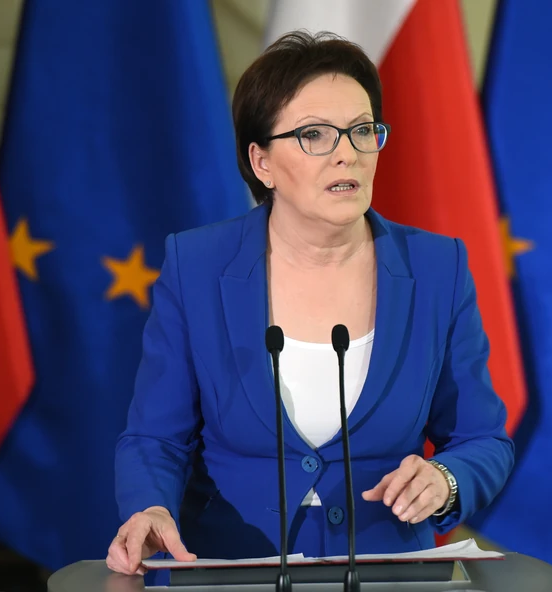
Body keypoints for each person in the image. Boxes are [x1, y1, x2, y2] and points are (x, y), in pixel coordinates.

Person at [106, 30, 514, 576]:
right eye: (315, 135)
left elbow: (481, 439)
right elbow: (156, 437)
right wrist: (150, 506)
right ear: (262, 162)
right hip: (235, 568)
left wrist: (447, 479)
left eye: (362, 131)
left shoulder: (437, 268)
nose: (347, 153)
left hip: (387, 570)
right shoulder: (196, 266)